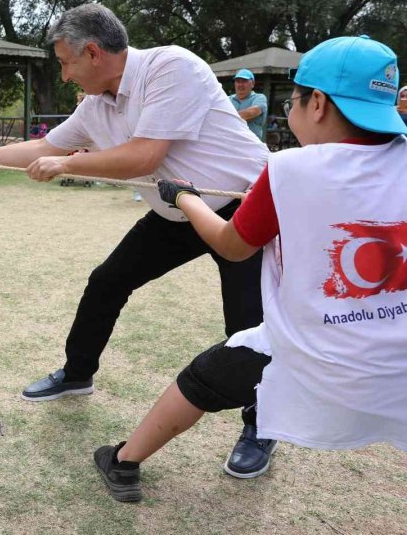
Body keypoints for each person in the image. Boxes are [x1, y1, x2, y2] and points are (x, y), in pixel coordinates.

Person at [0, 3, 272, 477]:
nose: (64, 73)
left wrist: (71, 164)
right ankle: (77, 374)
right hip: (176, 209)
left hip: (242, 207)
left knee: (248, 327)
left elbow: (145, 155)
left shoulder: (172, 67)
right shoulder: (96, 106)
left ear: (93, 52)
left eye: (65, 62)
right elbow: (44, 147)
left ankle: (262, 424)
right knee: (108, 280)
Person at [93, 35, 407, 503]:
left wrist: (183, 197)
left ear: (317, 103)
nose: (291, 112)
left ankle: (122, 462)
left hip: (314, 356)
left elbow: (232, 245)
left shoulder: (288, 171)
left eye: (295, 100)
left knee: (204, 376)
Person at [229, 69, 268, 140]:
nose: (240, 84)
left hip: (251, 145)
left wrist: (226, 117)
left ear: (252, 84)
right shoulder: (228, 99)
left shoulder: (259, 97)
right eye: (238, 81)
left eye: (244, 81)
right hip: (230, 143)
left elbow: (251, 113)